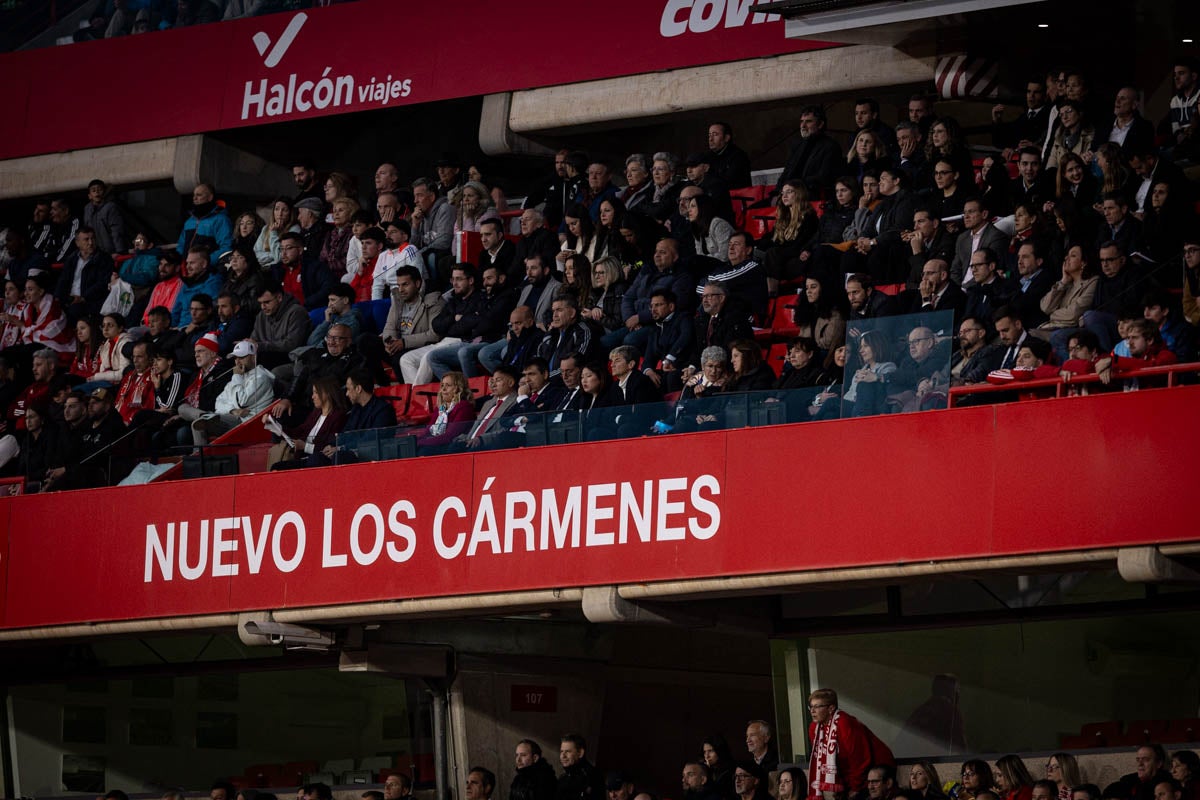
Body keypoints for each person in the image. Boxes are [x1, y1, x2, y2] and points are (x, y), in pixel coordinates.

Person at [358, 266, 444, 386]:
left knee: (399, 357)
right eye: (399, 285)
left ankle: (406, 391)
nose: (401, 289)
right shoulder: (398, 299)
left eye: (405, 284)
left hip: (417, 346)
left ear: (418, 283)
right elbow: (389, 326)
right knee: (364, 340)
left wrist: (404, 343)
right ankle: (383, 385)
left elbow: (434, 334)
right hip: (399, 344)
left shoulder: (433, 300)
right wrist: (390, 341)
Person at [806, 688, 895, 800]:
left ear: (831, 708)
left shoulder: (845, 723)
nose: (812, 711)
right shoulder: (814, 728)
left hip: (875, 769)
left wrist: (855, 788)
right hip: (849, 775)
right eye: (811, 706)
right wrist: (838, 786)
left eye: (817, 706)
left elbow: (860, 758)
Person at [191, 340, 275, 446]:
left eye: (242, 357)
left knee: (202, 423)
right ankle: (199, 458)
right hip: (233, 417)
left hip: (248, 423)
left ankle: (201, 457)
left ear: (253, 357)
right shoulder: (238, 377)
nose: (237, 361)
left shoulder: (261, 377)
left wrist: (236, 376)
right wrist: (232, 410)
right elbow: (218, 402)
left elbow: (241, 402)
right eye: (236, 358)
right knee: (197, 424)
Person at [269, 375, 347, 470]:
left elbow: (328, 446)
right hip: (303, 458)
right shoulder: (316, 413)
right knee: (275, 467)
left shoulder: (338, 416)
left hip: (317, 461)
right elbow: (298, 431)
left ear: (326, 393)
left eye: (315, 393)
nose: (312, 397)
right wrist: (274, 425)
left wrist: (305, 446)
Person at [776, 105, 843, 198]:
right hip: (789, 194)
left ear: (820, 124)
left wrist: (795, 188)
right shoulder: (796, 145)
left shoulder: (831, 146)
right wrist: (778, 193)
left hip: (810, 195)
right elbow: (786, 172)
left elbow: (823, 178)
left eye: (808, 121)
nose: (803, 125)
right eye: (801, 121)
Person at [251, 281, 312, 370]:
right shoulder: (261, 315)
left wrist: (262, 346)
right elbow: (254, 339)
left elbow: (292, 344)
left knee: (264, 358)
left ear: (279, 297)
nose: (263, 307)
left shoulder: (296, 312)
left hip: (292, 357)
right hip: (268, 356)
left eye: (267, 302)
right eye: (260, 303)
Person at [416, 371, 477, 455]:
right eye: (442, 385)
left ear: (458, 388)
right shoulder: (440, 408)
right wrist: (414, 442)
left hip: (452, 449)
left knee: (422, 451)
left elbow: (450, 437)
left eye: (448, 385)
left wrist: (419, 443)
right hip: (435, 445)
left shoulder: (464, 407)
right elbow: (427, 432)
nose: (443, 389)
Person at [177, 183, 232, 264]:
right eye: (194, 195)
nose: (194, 198)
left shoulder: (221, 219)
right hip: (187, 269)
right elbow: (181, 245)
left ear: (210, 197)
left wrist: (205, 263)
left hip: (208, 271)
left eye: (199, 195)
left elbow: (227, 247)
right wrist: (181, 261)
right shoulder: (189, 221)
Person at [702, 734, 736, 800]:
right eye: (704, 752)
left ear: (720, 751)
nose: (707, 756)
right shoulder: (709, 769)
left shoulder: (731, 770)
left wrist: (708, 773)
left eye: (710, 751)